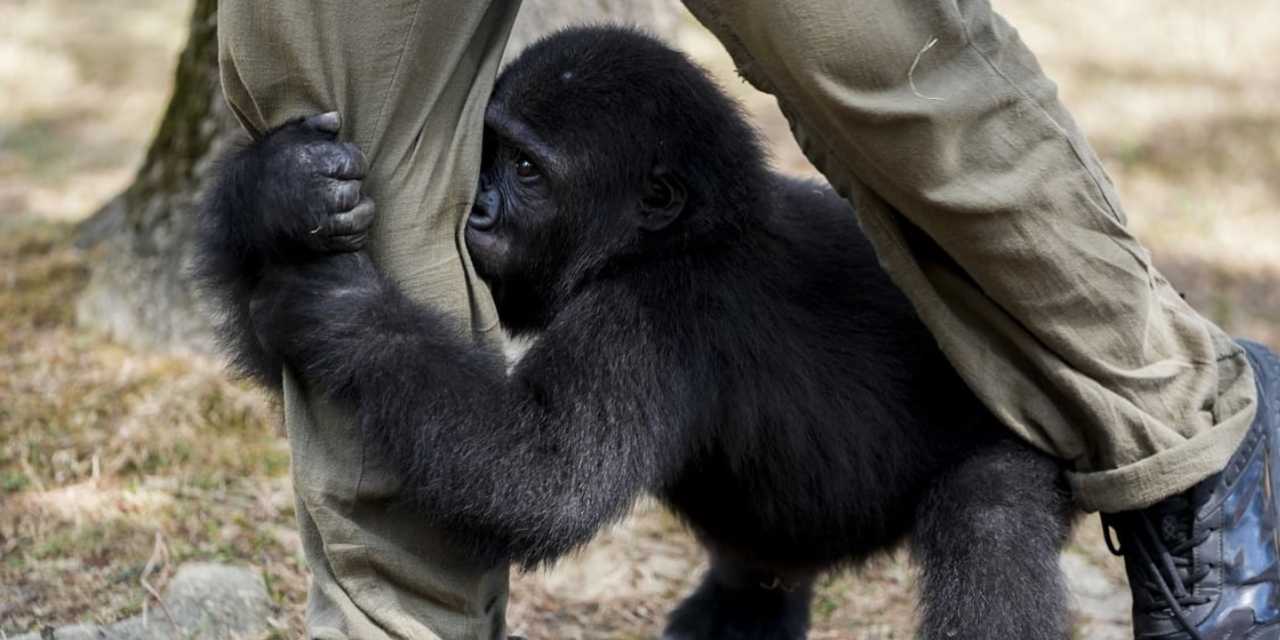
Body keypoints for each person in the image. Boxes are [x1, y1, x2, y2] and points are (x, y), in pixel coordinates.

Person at [216, 1, 1280, 638]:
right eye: (489, 155)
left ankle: (1191, 430)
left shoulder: (654, 308)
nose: (480, 200)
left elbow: (534, 490)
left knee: (988, 515)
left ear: (654, 207)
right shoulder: (631, 251)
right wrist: (258, 209)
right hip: (784, 482)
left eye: (525, 175)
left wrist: (349, 314)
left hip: (941, 460)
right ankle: (747, 591)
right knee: (344, 191)